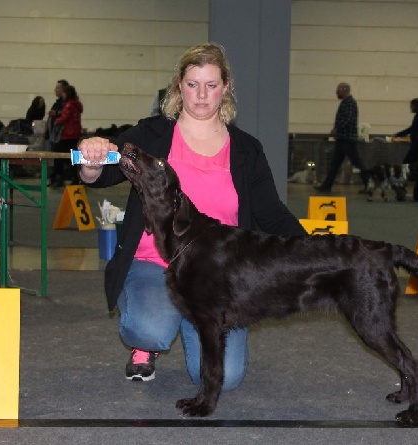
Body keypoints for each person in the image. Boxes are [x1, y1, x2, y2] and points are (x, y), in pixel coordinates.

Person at [77, 43, 306, 388]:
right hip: (156, 262)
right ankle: (148, 343)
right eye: (193, 84)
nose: (201, 95)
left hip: (220, 273)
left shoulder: (246, 149)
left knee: (224, 379)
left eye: (211, 85)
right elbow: (102, 174)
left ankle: (189, 319)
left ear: (225, 87)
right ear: (179, 86)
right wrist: (91, 158)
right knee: (150, 329)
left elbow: (271, 213)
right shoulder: (151, 134)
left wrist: (314, 248)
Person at [315, 82, 369, 192]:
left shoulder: (349, 103)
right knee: (336, 163)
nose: (336, 92)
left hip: (347, 139)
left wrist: (336, 129)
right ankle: (327, 185)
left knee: (355, 162)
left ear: (344, 90)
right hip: (344, 138)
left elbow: (348, 119)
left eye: (338, 90)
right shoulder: (347, 102)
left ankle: (369, 184)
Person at [49, 84, 83, 187]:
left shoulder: (69, 104)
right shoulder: (77, 104)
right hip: (75, 134)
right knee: (72, 157)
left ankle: (60, 177)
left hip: (67, 134)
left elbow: (64, 118)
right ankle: (76, 177)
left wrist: (56, 119)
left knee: (59, 156)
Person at [393, 98, 418, 165]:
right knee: (411, 162)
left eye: (412, 106)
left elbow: (414, 129)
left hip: (417, 144)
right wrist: (399, 134)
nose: (410, 107)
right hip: (417, 143)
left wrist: (399, 134)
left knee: (408, 162)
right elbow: (412, 128)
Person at [46, 79, 69, 150]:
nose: (55, 90)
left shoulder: (67, 103)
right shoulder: (57, 103)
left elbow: (66, 115)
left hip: (61, 136)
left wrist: (56, 113)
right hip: (55, 135)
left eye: (57, 88)